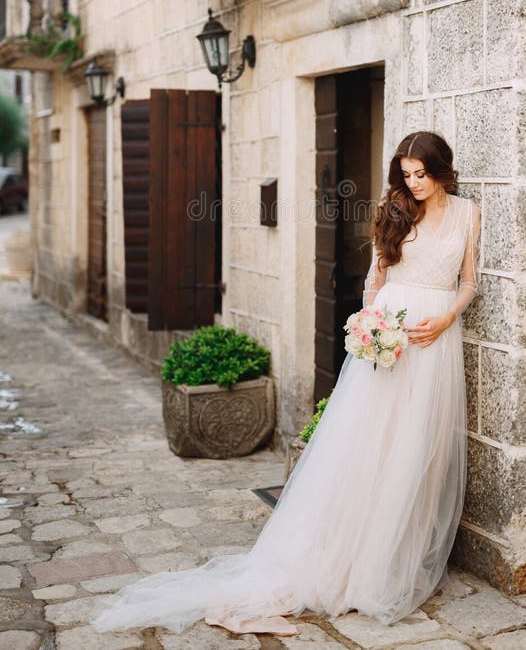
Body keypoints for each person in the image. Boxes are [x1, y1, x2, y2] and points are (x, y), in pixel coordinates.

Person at [93, 130, 481, 638]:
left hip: (435, 339)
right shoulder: (395, 210)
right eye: (406, 175)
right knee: (371, 447)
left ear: (440, 168)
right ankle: (350, 556)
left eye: (421, 174)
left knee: (418, 449)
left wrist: (449, 317)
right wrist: (369, 327)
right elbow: (377, 280)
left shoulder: (467, 213)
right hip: (392, 332)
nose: (413, 183)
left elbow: (470, 280)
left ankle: (395, 560)